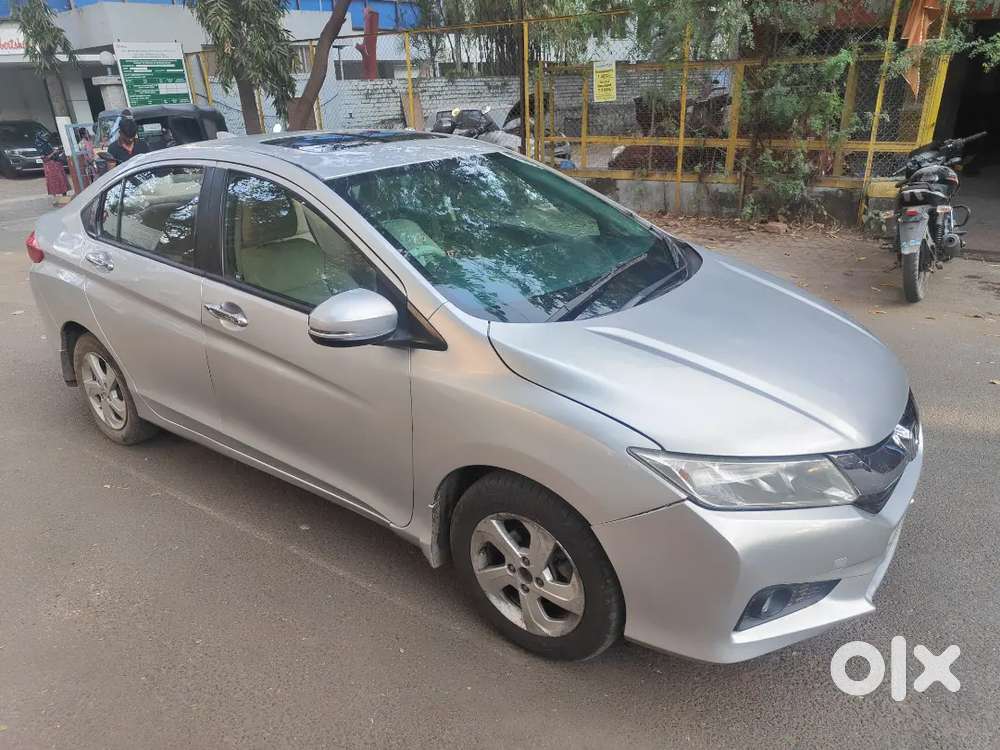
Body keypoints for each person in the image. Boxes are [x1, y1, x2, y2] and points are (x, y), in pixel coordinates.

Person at [35, 130, 69, 204]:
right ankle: (56, 199)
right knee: (53, 182)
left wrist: (57, 151)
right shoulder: (40, 147)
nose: (46, 137)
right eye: (43, 136)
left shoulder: (48, 144)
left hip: (57, 164)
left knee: (62, 180)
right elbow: (45, 159)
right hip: (50, 166)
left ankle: (64, 198)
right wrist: (53, 152)